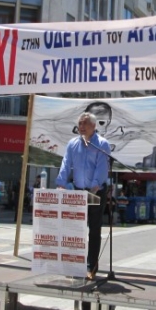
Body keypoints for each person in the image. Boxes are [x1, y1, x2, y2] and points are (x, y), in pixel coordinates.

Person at [56, 111, 111, 280]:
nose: (81, 126)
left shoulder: (102, 144)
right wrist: (61, 183)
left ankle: (90, 267)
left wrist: (94, 186)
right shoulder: (73, 144)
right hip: (78, 192)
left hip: (95, 191)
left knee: (94, 230)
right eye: (80, 123)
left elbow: (102, 168)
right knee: (75, 229)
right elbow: (66, 163)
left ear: (93, 126)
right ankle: (74, 264)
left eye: (85, 123)